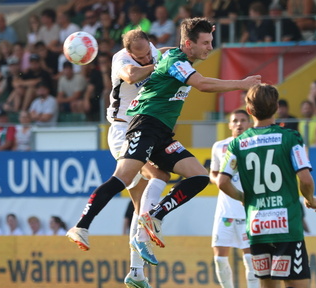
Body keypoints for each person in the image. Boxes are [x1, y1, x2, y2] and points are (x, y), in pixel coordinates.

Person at [66, 18, 260, 261]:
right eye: (206, 43)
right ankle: (81, 225)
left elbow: (169, 52)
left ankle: (154, 215)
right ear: (189, 44)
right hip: (144, 126)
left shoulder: (174, 57)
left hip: (162, 134)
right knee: (123, 178)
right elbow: (202, 84)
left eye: (211, 42)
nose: (210, 47)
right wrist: (241, 84)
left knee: (200, 176)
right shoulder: (172, 62)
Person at [67, 29, 172, 287]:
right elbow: (132, 75)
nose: (147, 57)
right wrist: (157, 63)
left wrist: (176, 52)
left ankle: (136, 273)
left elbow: (165, 52)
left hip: (144, 129)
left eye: (149, 51)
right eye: (141, 55)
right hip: (122, 130)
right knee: (157, 175)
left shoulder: (153, 52)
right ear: (129, 52)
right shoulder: (121, 60)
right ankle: (89, 226)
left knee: (140, 200)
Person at [217, 83, 316, 288]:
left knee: (267, 284)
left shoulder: (237, 144)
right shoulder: (290, 138)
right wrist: (311, 200)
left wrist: (242, 198)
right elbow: (306, 179)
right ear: (276, 108)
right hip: (286, 225)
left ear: (249, 110)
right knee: (297, 283)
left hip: (257, 226)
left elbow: (222, 181)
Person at [210, 109, 259, 288]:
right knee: (220, 259)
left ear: (249, 124)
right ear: (229, 125)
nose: (239, 124)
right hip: (225, 211)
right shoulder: (219, 146)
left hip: (248, 211)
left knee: (250, 258)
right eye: (235, 121)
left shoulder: (256, 145)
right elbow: (213, 173)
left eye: (243, 120)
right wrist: (221, 182)